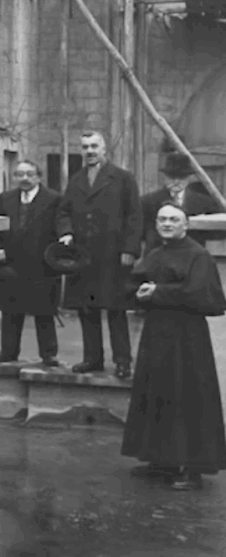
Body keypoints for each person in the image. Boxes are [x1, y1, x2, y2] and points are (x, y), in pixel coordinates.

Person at [122, 203, 226, 490]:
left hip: (187, 338)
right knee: (158, 393)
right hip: (156, 334)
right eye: (162, 219)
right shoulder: (155, 253)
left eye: (173, 220)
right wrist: (138, 292)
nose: (167, 224)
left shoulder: (198, 256)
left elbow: (205, 296)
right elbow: (134, 282)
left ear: (186, 225)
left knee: (188, 397)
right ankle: (161, 460)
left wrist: (158, 291)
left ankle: (193, 469)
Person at [58, 130, 142, 378]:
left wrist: (130, 249)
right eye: (85, 147)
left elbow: (134, 216)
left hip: (112, 254)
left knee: (116, 309)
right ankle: (92, 359)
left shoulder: (123, 178)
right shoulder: (76, 180)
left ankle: (122, 361)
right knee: (86, 308)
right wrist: (66, 232)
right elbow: (63, 212)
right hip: (83, 255)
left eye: (94, 146)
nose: (90, 151)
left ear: (104, 149)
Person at [0, 160, 67, 367]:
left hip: (41, 264)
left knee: (44, 312)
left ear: (39, 177)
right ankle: (8, 352)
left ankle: (48, 354)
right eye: (19, 174)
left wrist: (65, 237)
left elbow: (60, 223)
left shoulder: (53, 199)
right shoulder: (6, 198)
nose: (24, 178)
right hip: (11, 264)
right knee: (10, 311)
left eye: (29, 174)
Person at [141, 150, 222, 251]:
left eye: (181, 177)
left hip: (192, 254)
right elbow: (140, 231)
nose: (176, 181)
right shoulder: (148, 202)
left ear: (189, 178)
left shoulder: (205, 203)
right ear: (164, 178)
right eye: (172, 177)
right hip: (158, 254)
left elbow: (216, 232)